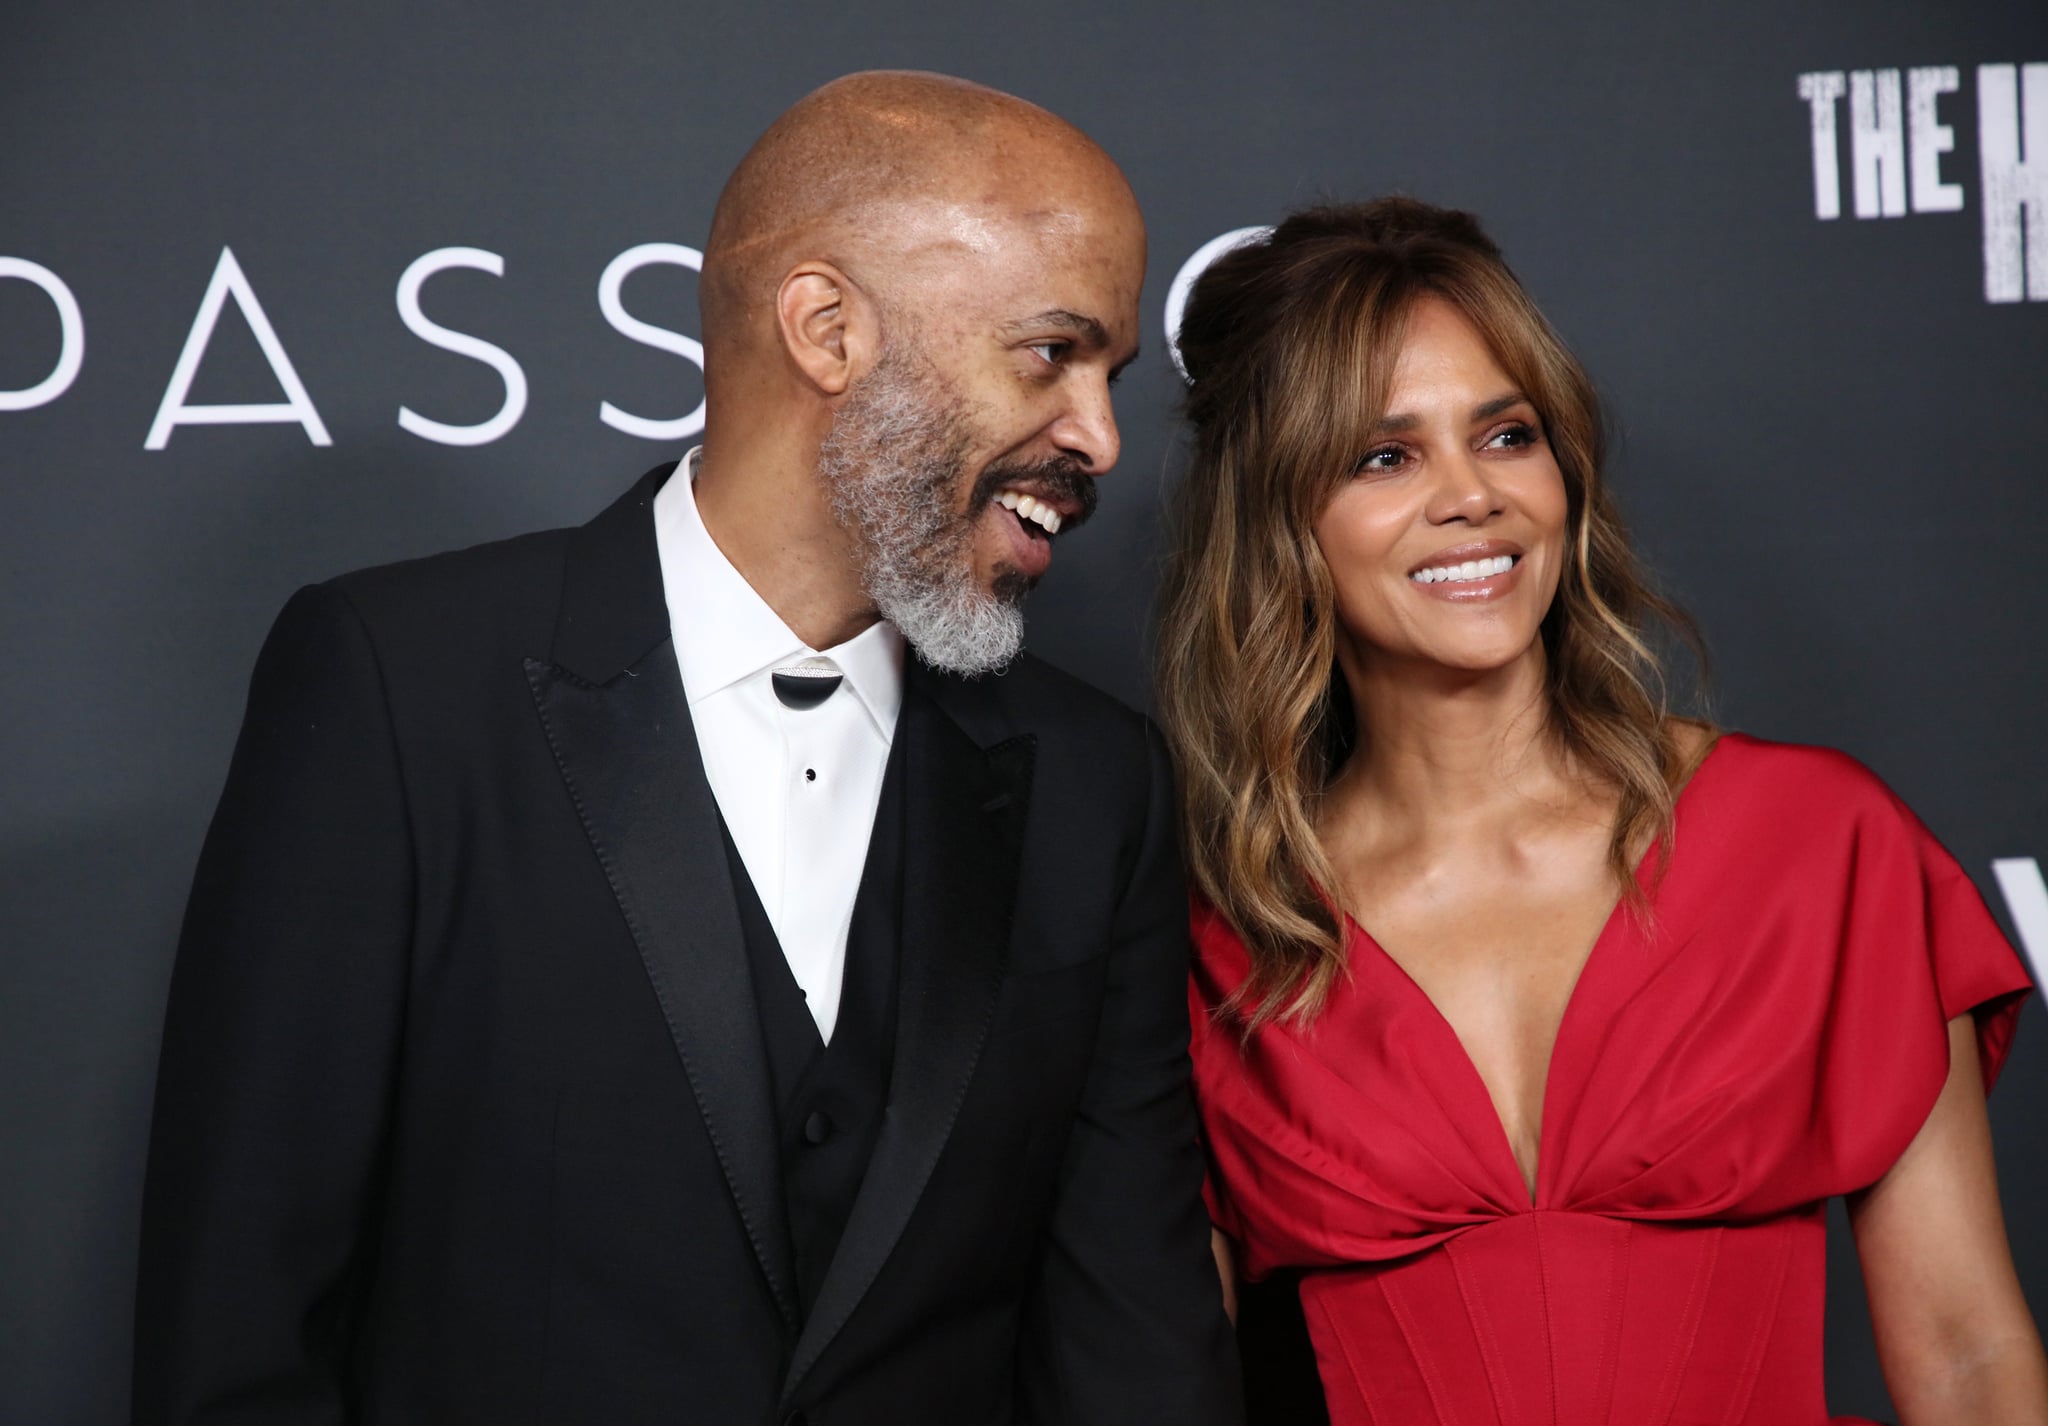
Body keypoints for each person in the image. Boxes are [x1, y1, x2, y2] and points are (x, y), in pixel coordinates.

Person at [134, 71, 1241, 1426]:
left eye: (1112, 373)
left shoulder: (1093, 783)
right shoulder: (398, 687)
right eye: (1050, 354)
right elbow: (238, 1341)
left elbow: (1135, 1353)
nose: (1101, 438)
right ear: (828, 327)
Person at [1158, 198, 2046, 1425]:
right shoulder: (1220, 943)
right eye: (1383, 454)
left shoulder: (1814, 845)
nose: (1470, 495)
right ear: (1278, 523)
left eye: (1506, 434)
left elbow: (1964, 1358)